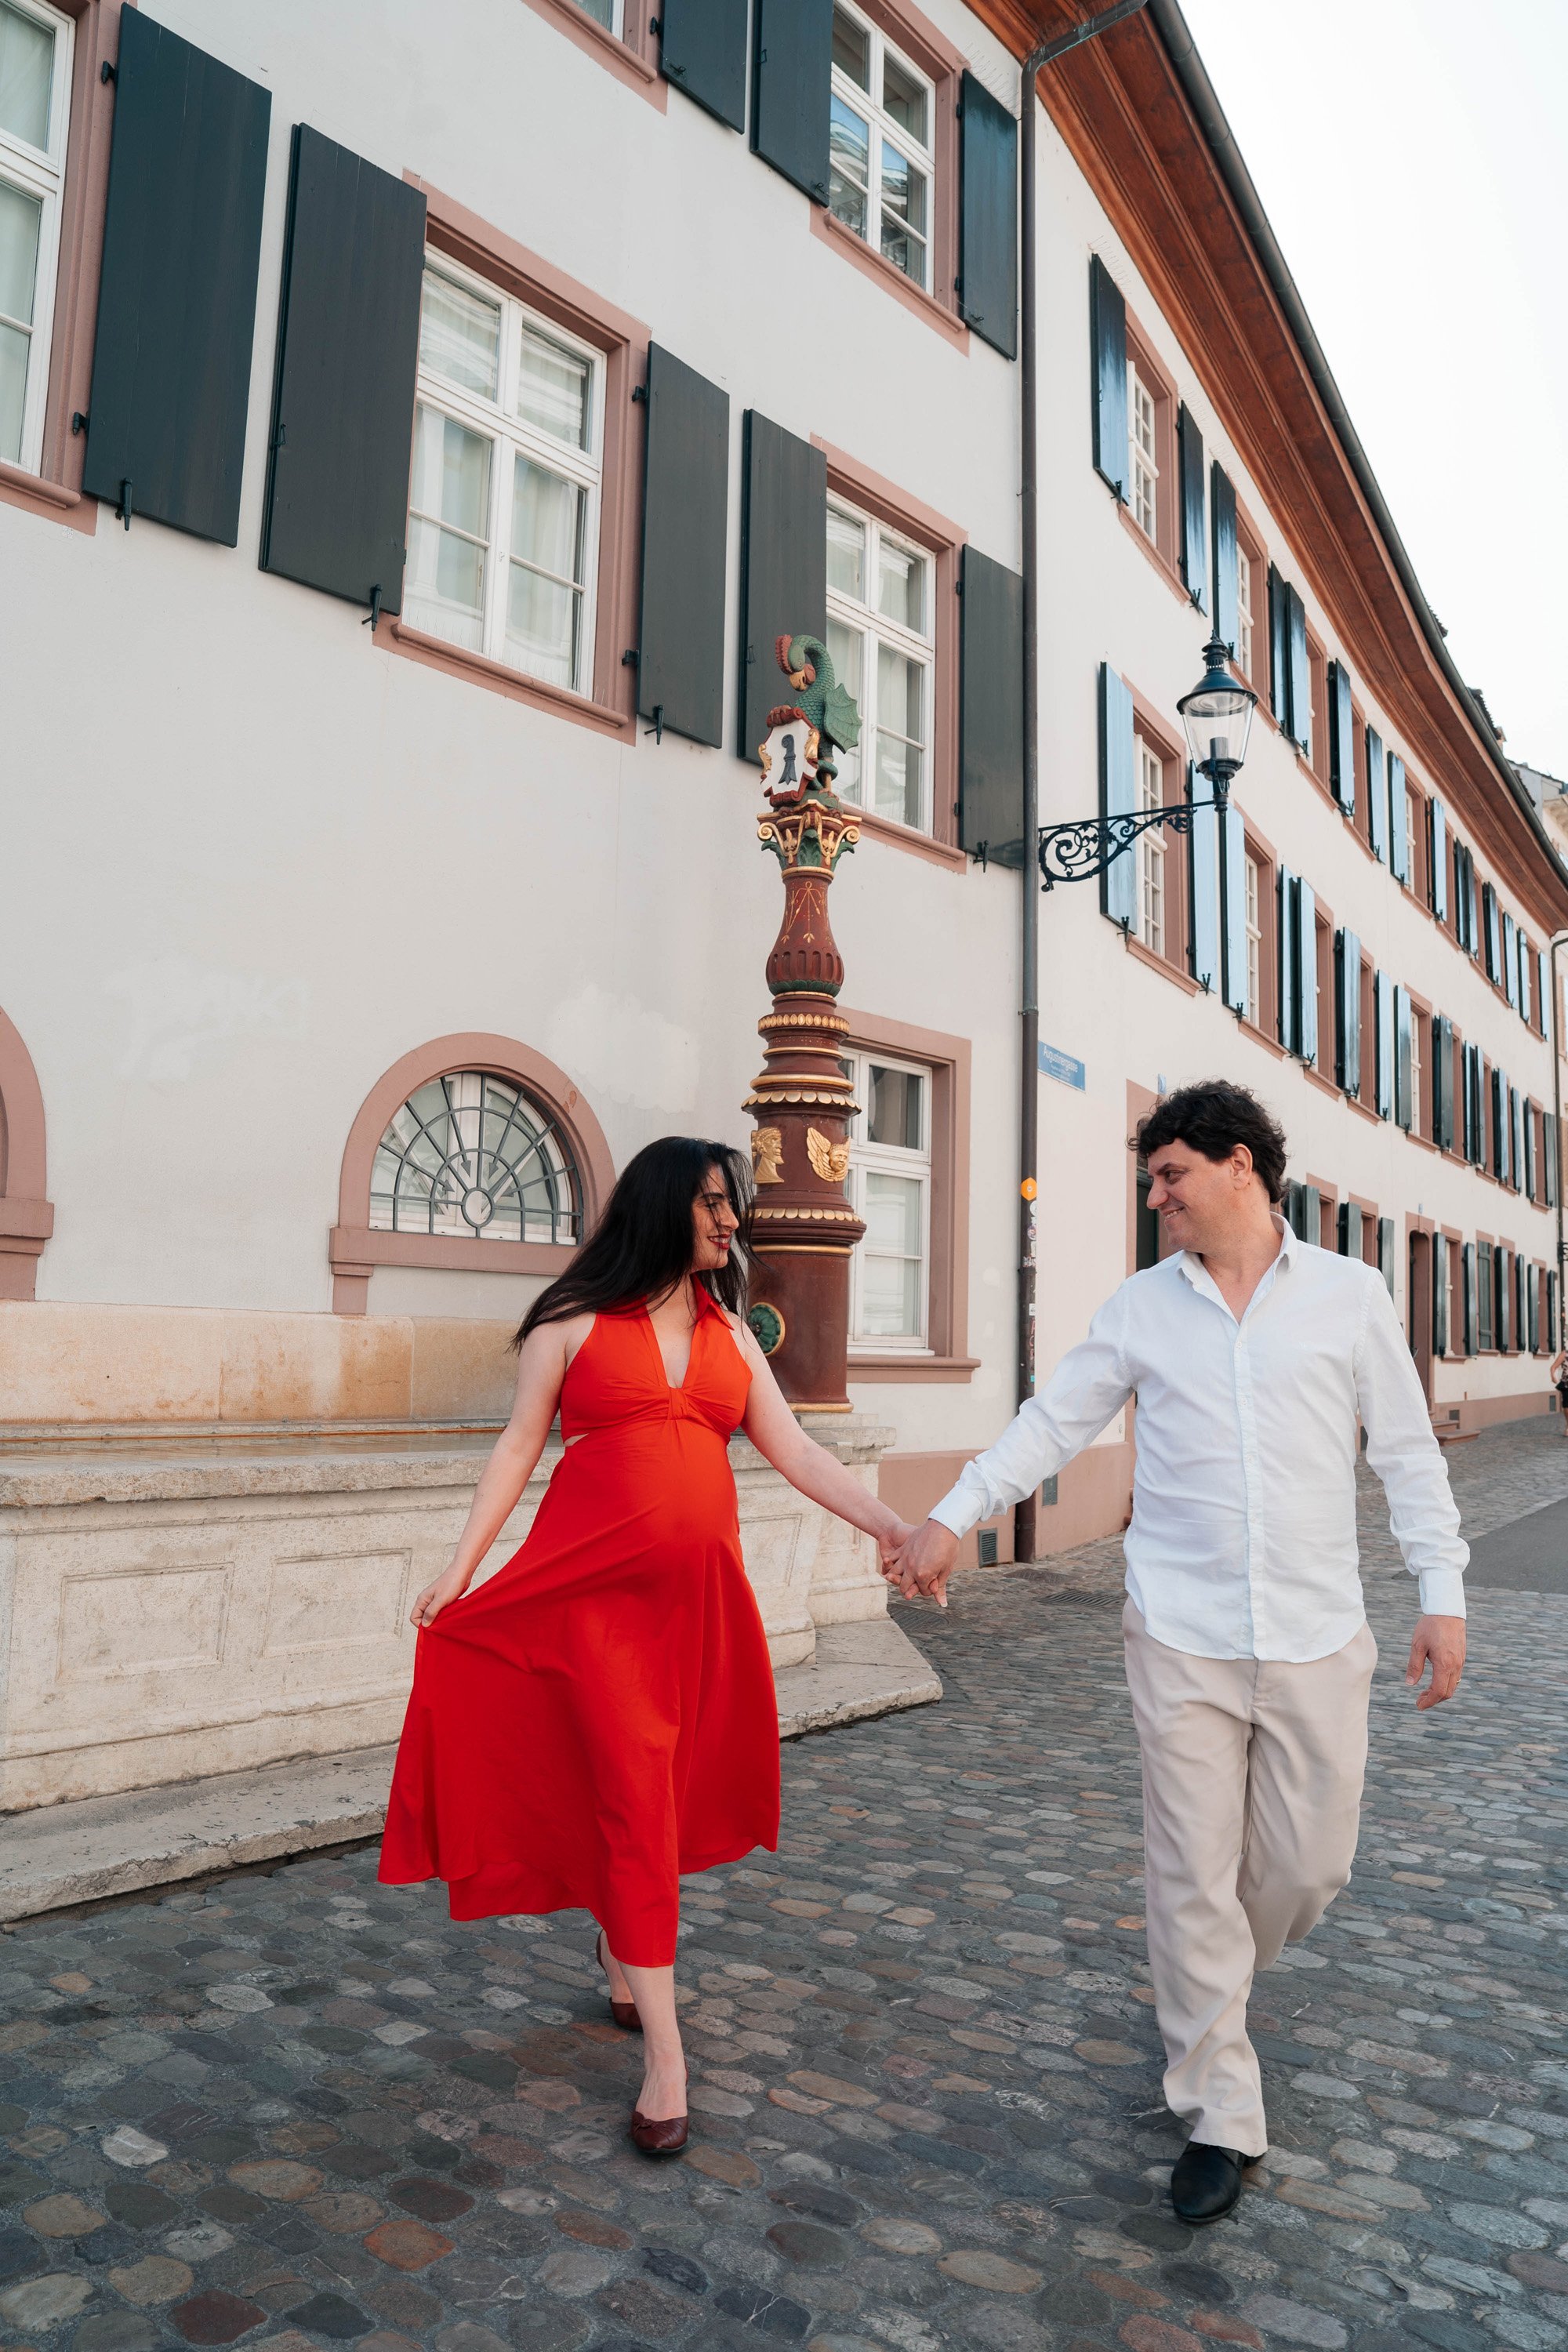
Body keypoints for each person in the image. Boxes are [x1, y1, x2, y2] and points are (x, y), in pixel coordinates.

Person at [887, 1080, 1467, 2224]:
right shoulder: (1144, 1308)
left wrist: (1440, 1592)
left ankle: (1206, 1984)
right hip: (1181, 1632)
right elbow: (1055, 1420)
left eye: (1171, 1177)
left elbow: (1405, 1451)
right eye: (1152, 1180)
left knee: (1308, 1867)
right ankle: (1218, 2112)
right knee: (1189, 1875)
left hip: (1315, 1631)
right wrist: (953, 1514)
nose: (1157, 1200)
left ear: (1240, 1165)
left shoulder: (1350, 1297)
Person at [379, 1136, 915, 2158]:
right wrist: (462, 1567)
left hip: (699, 1610)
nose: (730, 1221)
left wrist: (885, 1526)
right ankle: (668, 2063)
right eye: (714, 1203)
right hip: (592, 1607)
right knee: (632, 1798)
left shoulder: (729, 1332)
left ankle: (622, 1953)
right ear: (664, 1206)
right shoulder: (571, 1324)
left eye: (734, 1206)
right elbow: (517, 1447)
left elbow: (795, 1449)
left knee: (657, 1804)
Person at [1552, 1345, 1568, 1435]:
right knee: (1566, 1406)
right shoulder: (1565, 1354)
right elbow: (1553, 1367)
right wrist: (1553, 1376)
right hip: (1566, 1384)